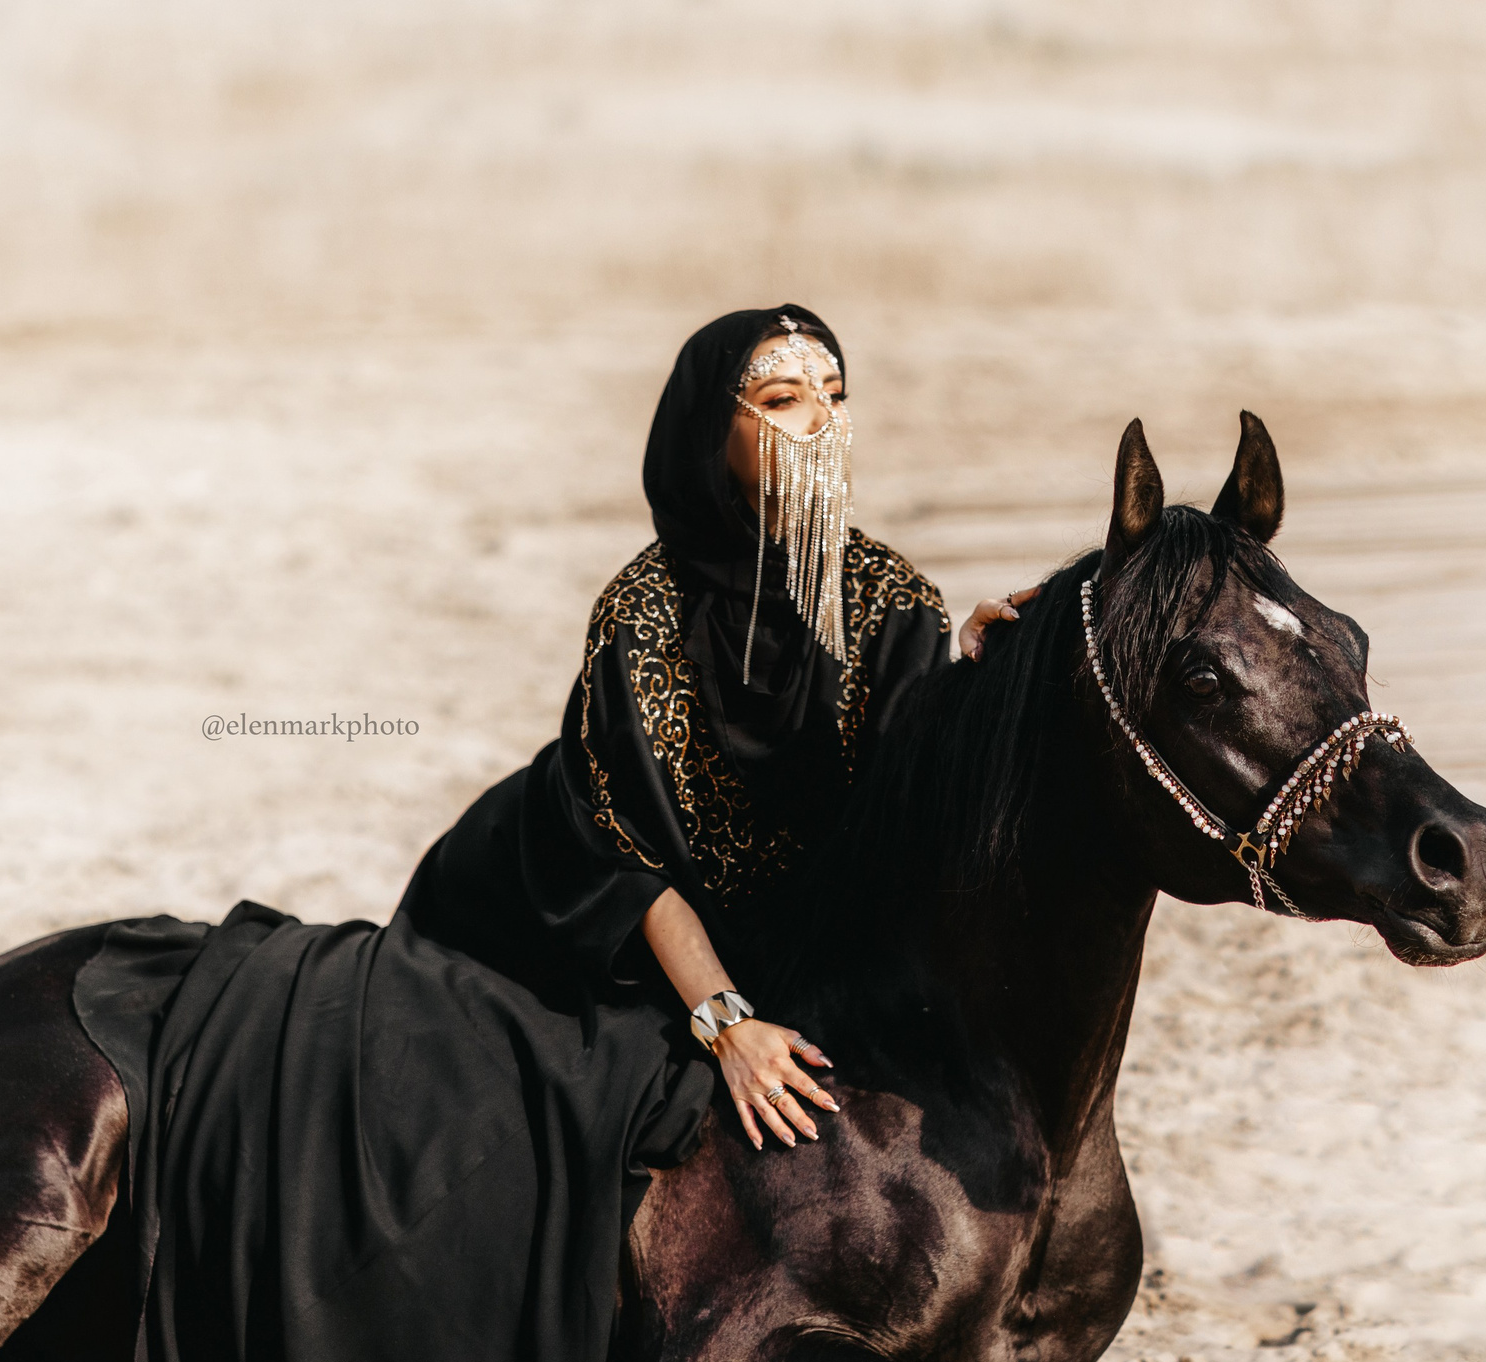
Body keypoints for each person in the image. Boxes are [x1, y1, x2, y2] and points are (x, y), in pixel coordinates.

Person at [396, 305, 1031, 1150]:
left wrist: (971, 683)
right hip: (570, 892)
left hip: (789, 923)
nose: (822, 423)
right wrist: (726, 1024)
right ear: (709, 436)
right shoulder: (641, 617)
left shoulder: (892, 598)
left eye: (836, 396)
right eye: (781, 401)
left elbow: (899, 799)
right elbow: (627, 860)